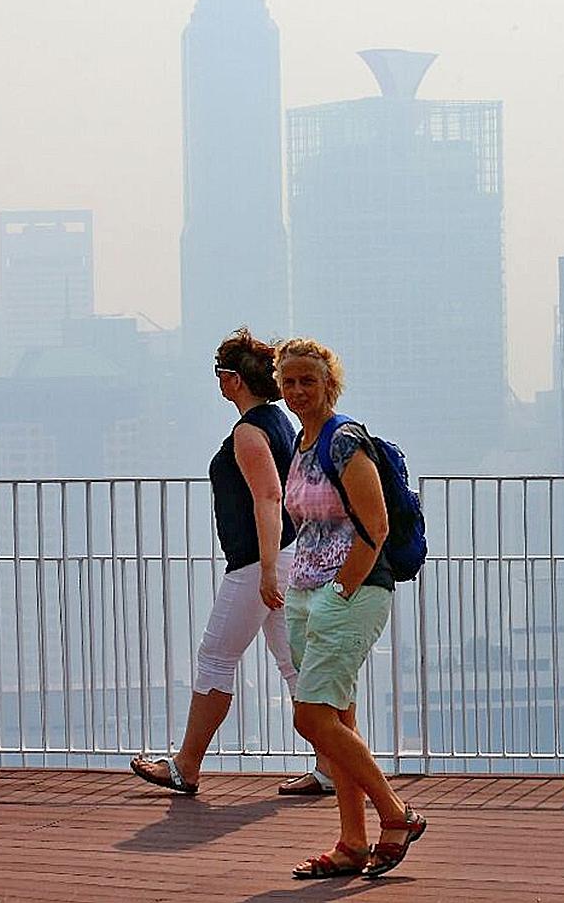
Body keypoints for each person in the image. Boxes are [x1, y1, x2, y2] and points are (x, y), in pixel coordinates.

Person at [130, 328, 332, 797]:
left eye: (222, 374)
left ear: (235, 380)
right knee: (294, 663)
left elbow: (268, 495)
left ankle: (186, 766)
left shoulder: (249, 431)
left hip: (259, 561)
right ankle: (329, 765)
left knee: (216, 657)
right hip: (288, 555)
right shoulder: (283, 423)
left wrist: (263, 569)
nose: (219, 382)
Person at [276, 338, 427, 880]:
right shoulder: (301, 442)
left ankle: (395, 813)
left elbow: (376, 525)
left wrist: (341, 590)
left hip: (352, 589)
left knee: (311, 715)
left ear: (328, 384)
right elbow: (307, 521)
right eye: (289, 381)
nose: (297, 391)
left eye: (307, 381)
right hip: (308, 588)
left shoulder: (343, 440)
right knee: (334, 718)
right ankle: (351, 842)